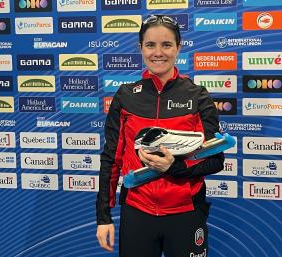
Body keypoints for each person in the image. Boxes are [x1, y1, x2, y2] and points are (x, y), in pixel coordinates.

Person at [96, 15, 224, 257]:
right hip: (137, 212)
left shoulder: (198, 96)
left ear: (179, 47)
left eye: (166, 45)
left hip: (186, 213)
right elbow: (111, 159)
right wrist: (103, 216)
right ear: (140, 48)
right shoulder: (125, 96)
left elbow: (216, 160)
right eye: (150, 45)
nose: (158, 53)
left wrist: (173, 167)